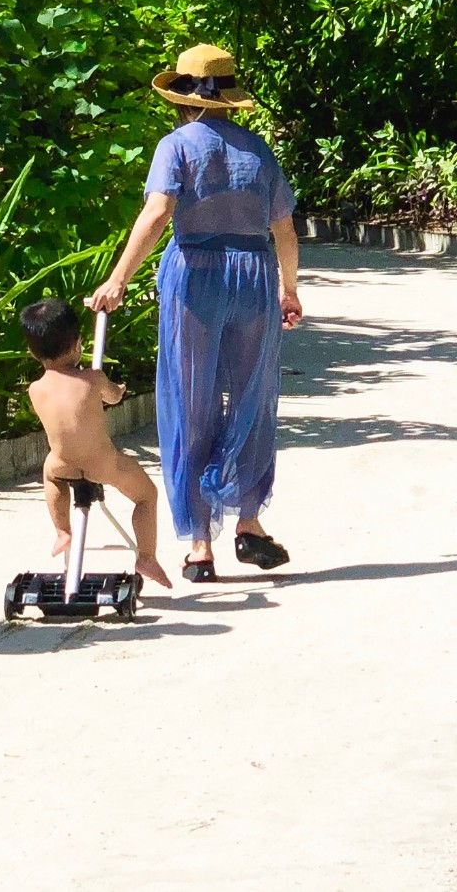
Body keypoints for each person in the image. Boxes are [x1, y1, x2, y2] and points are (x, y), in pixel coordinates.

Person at [88, 43, 302, 583]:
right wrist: (290, 290)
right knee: (253, 397)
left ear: (182, 97)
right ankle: (249, 522)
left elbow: (158, 212)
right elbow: (284, 229)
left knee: (189, 399)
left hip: (195, 276)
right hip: (253, 276)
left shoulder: (176, 146)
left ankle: (200, 547)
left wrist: (118, 279)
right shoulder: (259, 151)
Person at [19, 299, 172, 590]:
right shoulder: (93, 379)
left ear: (32, 352)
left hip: (62, 464)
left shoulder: (35, 389)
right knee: (146, 496)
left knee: (50, 471)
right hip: (101, 464)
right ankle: (147, 557)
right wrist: (119, 390)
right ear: (77, 344)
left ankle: (62, 530)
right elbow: (113, 397)